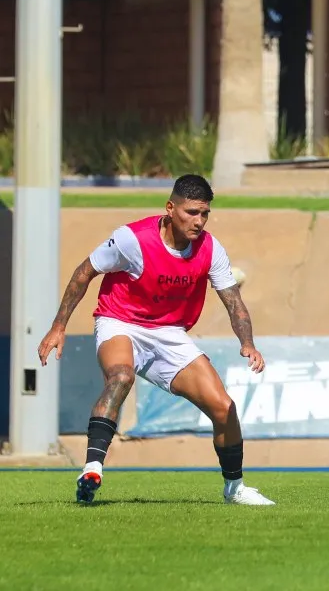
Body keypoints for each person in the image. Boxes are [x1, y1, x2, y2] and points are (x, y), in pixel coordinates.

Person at [37, 174, 274, 506]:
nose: (199, 221)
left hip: (168, 333)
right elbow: (84, 272)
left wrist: (248, 343)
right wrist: (58, 326)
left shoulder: (210, 248)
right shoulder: (132, 240)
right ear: (170, 207)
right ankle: (92, 468)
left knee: (224, 408)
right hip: (119, 320)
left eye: (205, 213)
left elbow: (234, 303)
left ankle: (234, 488)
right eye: (192, 212)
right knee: (121, 376)